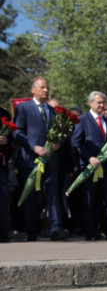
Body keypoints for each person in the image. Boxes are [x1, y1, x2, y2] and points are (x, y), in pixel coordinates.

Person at [12, 77, 68, 241]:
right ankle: (31, 230)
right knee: (30, 195)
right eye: (42, 87)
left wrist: (58, 142)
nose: (45, 90)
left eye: (47, 88)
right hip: (31, 159)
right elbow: (17, 131)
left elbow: (60, 132)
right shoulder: (23, 108)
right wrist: (33, 146)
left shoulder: (52, 111)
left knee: (52, 194)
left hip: (50, 159)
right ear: (33, 90)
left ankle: (55, 228)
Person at [71, 91, 107, 241]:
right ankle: (90, 232)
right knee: (90, 200)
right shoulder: (81, 120)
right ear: (90, 103)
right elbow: (76, 143)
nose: (102, 105)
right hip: (90, 168)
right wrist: (88, 157)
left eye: (103, 103)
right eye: (99, 103)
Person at [0, 106, 14, 242]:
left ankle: (4, 231)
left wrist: (6, 141)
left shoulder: (4, 114)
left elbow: (12, 140)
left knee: (3, 198)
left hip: (1, 163)